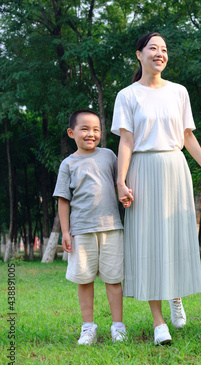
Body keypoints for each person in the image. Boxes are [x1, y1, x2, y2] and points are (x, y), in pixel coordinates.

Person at [111, 32, 201, 345]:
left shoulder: (179, 92)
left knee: (173, 238)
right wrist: (121, 181)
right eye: (153, 48)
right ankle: (159, 322)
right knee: (147, 242)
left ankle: (175, 295)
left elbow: (187, 137)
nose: (159, 54)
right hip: (143, 170)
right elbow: (127, 141)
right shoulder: (127, 95)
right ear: (139, 55)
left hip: (175, 168)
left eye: (164, 49)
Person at [53, 110, 126, 345]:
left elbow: (120, 183)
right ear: (71, 132)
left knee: (113, 279)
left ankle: (118, 326)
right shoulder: (69, 164)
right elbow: (63, 199)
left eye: (96, 129)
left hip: (111, 227)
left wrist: (125, 193)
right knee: (84, 280)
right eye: (84, 129)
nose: (91, 134)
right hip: (81, 230)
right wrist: (65, 232)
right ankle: (88, 327)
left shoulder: (109, 156)